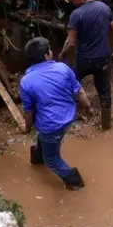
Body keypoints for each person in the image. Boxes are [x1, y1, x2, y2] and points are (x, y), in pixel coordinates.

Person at [21, 37, 92, 190]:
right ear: (47, 55)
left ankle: (75, 183)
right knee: (44, 138)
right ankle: (39, 157)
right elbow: (79, 92)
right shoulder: (63, 68)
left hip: (50, 126)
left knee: (52, 160)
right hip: (67, 118)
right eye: (50, 49)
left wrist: (26, 129)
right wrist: (88, 106)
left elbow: (29, 113)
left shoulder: (26, 81)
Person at [59, 0, 113, 130]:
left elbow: (71, 42)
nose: (71, 0)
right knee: (105, 92)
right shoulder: (104, 8)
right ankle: (106, 126)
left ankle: (69, 120)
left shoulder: (77, 14)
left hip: (83, 60)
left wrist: (61, 55)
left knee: (71, 85)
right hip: (103, 60)